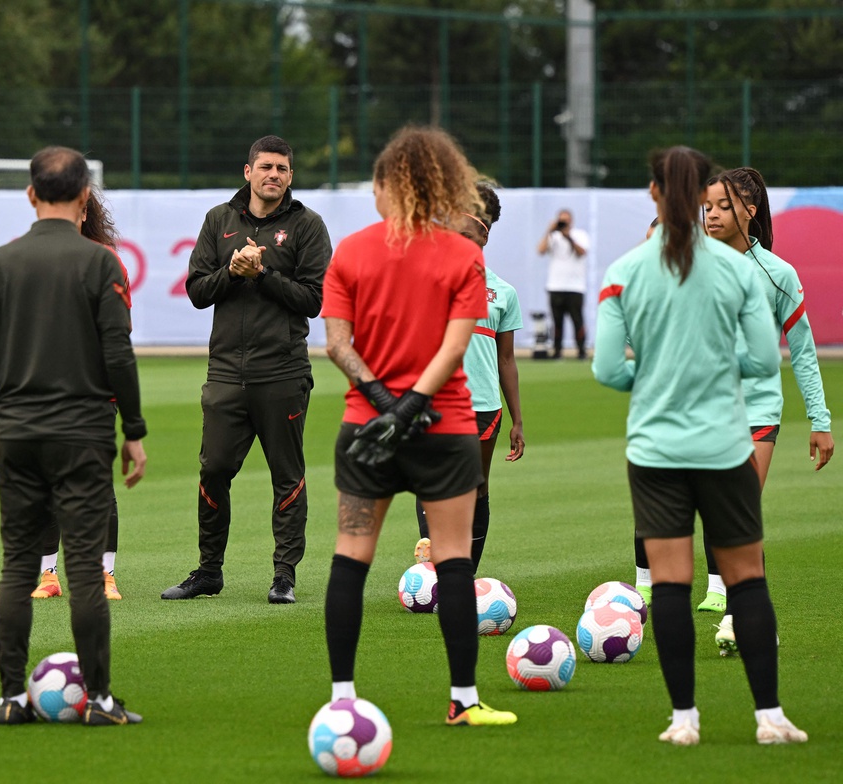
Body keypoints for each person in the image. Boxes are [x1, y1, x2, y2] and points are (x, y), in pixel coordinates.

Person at [593, 146, 806, 745]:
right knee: (746, 581)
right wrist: (713, 370)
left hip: (656, 450)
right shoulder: (740, 270)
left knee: (669, 583)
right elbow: (765, 359)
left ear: (657, 196)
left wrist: (660, 374)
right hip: (724, 445)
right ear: (700, 199)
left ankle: (684, 719)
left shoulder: (624, 271)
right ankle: (770, 718)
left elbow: (608, 369)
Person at [321, 125, 517, 727]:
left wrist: (383, 399)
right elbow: (458, 345)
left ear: (386, 187)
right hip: (446, 427)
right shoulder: (465, 256)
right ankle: (463, 701)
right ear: (445, 185)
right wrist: (413, 403)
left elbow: (336, 345)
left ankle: (342, 698)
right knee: (455, 561)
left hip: (366, 430)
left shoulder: (351, 250)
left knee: (351, 557)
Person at [0, 146, 147, 726]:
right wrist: (134, 432)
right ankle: (98, 700)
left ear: (30, 194)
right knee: (86, 569)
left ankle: (11, 699)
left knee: (18, 566)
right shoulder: (102, 264)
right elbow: (118, 355)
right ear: (85, 196)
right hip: (82, 433)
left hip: (15, 433)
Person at [162, 135, 331, 604]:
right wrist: (231, 273)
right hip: (224, 376)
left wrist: (264, 276)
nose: (273, 175)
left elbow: (314, 301)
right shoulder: (220, 220)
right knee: (213, 469)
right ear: (248, 171)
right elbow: (197, 290)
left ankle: (284, 577)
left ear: (291, 176)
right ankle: (209, 571)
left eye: (282, 168)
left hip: (282, 373)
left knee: (287, 476)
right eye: (265, 167)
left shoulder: (307, 226)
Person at [700, 166, 833, 652]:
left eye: (722, 206)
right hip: (699, 413)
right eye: (707, 206)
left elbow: (802, 350)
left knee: (738, 515)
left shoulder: (778, 275)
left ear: (749, 211)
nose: (711, 215)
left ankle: (746, 616)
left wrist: (820, 421)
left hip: (756, 413)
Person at [412, 183, 525, 571]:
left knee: (476, 489)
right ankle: (439, 567)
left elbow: (506, 361)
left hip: (484, 408)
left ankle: (465, 573)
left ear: (484, 235)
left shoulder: (503, 292)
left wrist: (517, 420)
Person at [32, 188, 129, 602]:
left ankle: (104, 575)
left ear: (85, 211)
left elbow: (118, 332)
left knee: (97, 485)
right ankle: (47, 575)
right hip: (44, 391)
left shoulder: (107, 261)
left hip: (93, 392)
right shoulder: (33, 258)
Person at [537, 208, 590, 359]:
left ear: (571, 221)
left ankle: (581, 350)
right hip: (555, 286)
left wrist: (568, 237)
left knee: (577, 320)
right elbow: (540, 250)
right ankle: (557, 351)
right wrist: (549, 230)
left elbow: (582, 252)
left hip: (576, 286)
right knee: (557, 322)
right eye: (561, 220)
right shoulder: (553, 237)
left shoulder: (580, 235)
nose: (564, 223)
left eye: (566, 220)